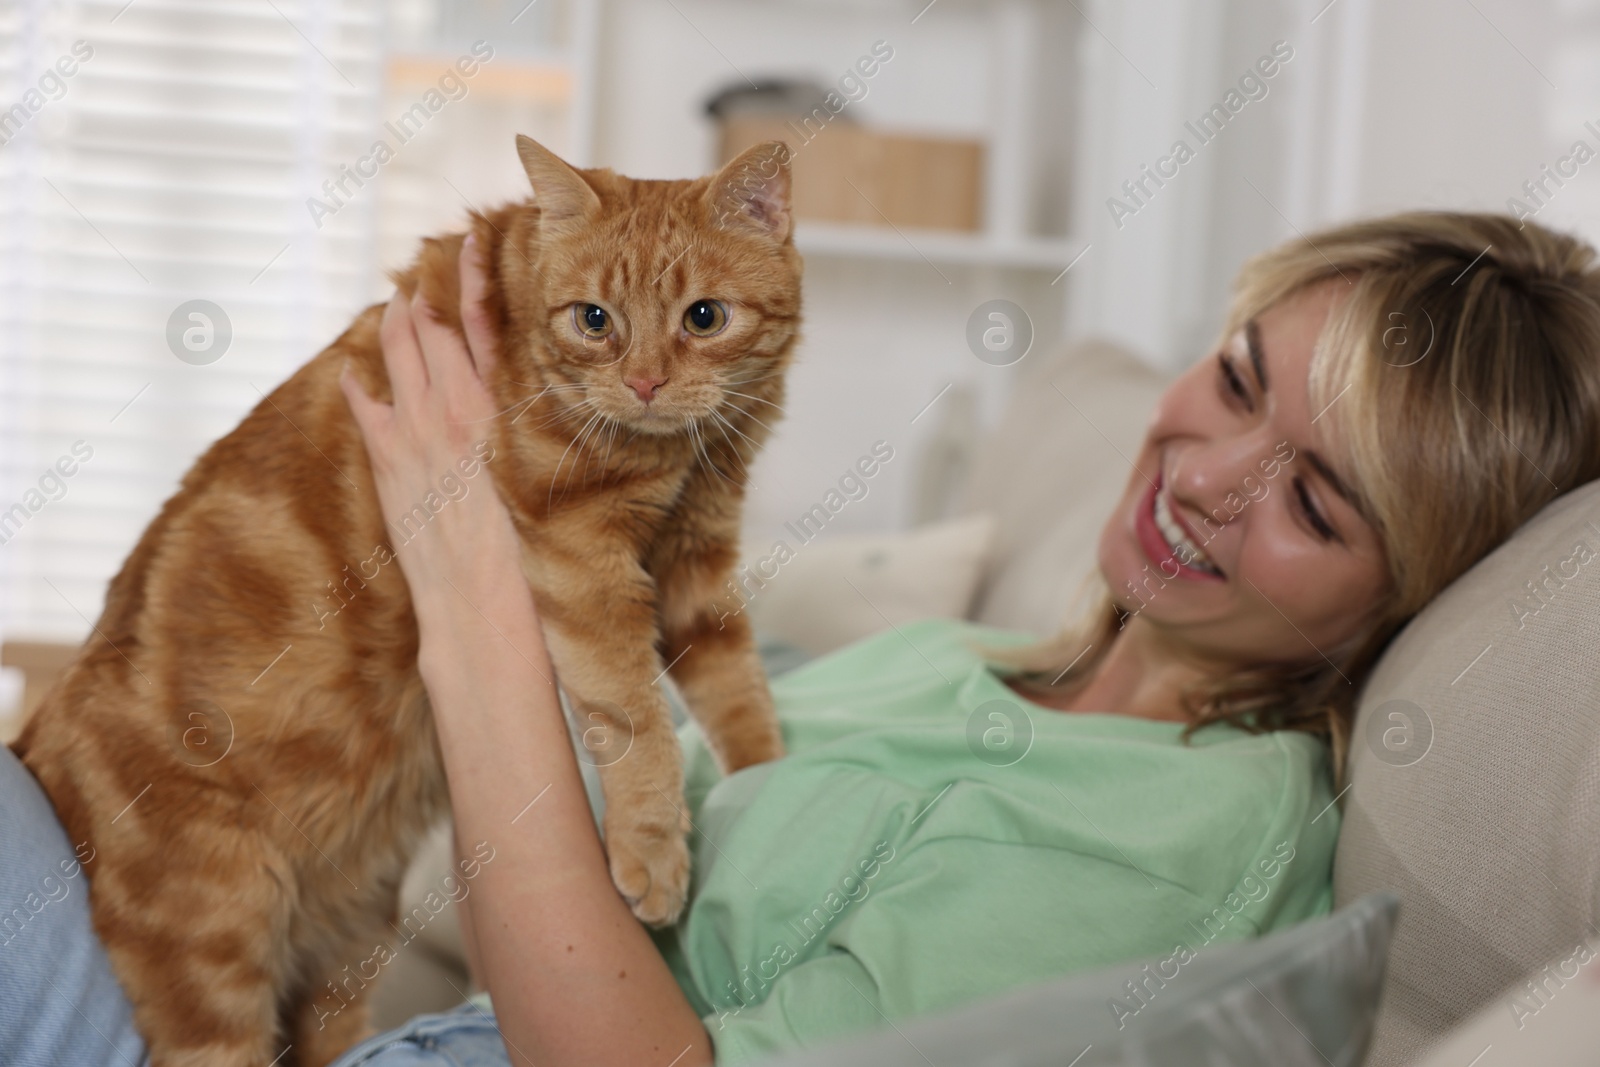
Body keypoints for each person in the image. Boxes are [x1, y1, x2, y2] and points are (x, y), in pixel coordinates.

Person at [5, 211, 1599, 1067]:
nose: (1207, 476)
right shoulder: (965, 667)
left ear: (1407, 591)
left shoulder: (1187, 837)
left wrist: (479, 599)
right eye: (1239, 380)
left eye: (1317, 503)